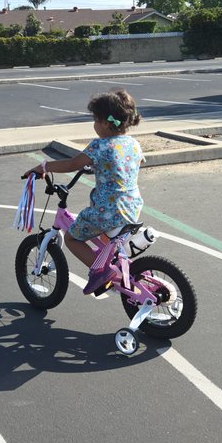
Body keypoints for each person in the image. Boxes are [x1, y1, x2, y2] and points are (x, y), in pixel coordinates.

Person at [24, 89, 144, 295]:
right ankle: (110, 267)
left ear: (105, 123)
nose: (94, 124)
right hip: (132, 206)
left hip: (108, 211)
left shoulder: (99, 146)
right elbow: (128, 164)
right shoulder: (133, 143)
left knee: (72, 238)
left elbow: (72, 164)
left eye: (95, 120)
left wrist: (43, 167)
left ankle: (101, 272)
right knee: (106, 239)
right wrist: (101, 167)